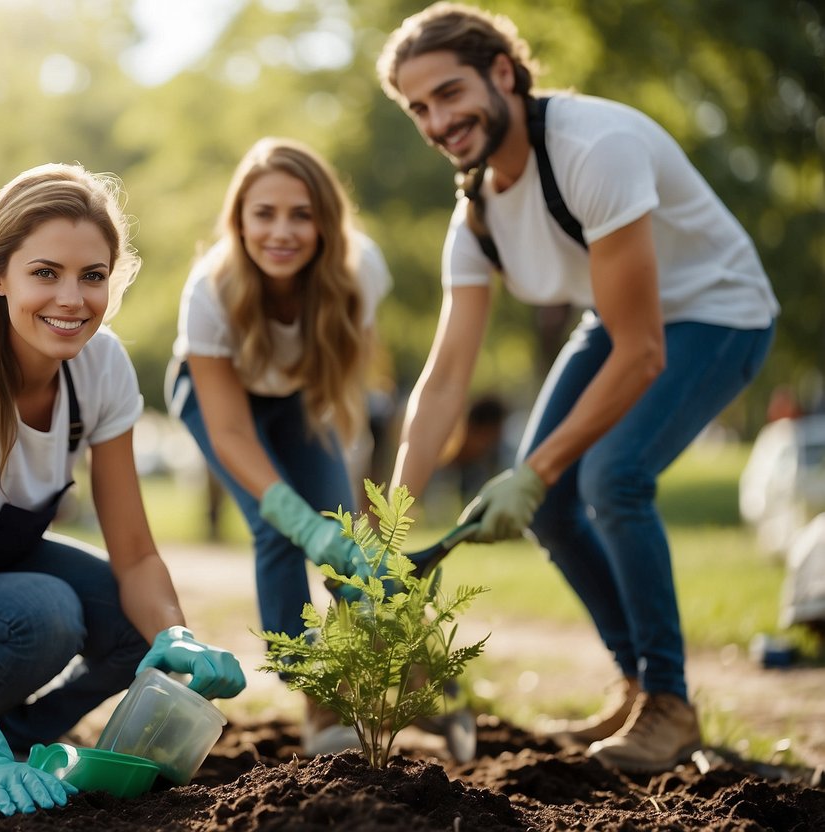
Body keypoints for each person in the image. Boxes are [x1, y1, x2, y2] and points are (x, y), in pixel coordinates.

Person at [377, 3, 779, 773]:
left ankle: (669, 701)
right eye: (417, 107)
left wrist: (529, 471)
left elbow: (642, 352)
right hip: (621, 320)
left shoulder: (595, 148)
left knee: (611, 477)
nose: (437, 120)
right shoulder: (476, 214)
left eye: (449, 93)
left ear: (502, 73)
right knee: (555, 510)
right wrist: (392, 531)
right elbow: (444, 378)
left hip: (717, 313)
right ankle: (641, 688)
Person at [0, 163, 246, 816]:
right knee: (46, 612)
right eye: (44, 273)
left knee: (140, 631)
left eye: (92, 276)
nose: (71, 299)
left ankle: (11, 743)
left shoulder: (101, 364)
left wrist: (178, 634)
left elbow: (137, 553)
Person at [166, 137, 392, 756]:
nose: (281, 231)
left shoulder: (360, 270)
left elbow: (346, 399)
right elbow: (233, 433)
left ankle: (367, 674)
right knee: (279, 528)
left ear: (326, 220)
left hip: (298, 397)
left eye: (301, 213)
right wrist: (297, 520)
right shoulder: (210, 290)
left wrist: (354, 528)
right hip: (217, 398)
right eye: (264, 213)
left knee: (339, 533)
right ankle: (316, 692)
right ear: (239, 220)